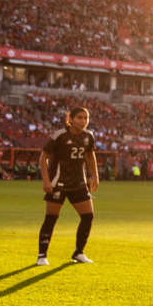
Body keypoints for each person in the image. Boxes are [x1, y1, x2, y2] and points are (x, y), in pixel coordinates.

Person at [37, 106, 100, 266]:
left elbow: (90, 154)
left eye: (85, 118)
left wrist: (95, 175)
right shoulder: (60, 136)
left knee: (88, 216)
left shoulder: (88, 136)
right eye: (79, 118)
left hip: (78, 183)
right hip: (58, 183)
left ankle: (79, 252)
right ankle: (42, 255)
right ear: (70, 119)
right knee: (51, 218)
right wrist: (46, 180)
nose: (83, 121)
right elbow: (43, 157)